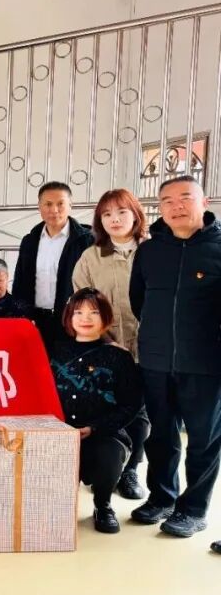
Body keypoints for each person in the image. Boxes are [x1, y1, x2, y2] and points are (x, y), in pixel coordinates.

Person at [129, 176, 221, 538]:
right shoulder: (150, 251)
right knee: (161, 437)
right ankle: (162, 498)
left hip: (206, 364)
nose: (176, 206)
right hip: (155, 360)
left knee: (202, 440)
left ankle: (193, 510)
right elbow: (139, 301)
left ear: (205, 202)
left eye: (185, 198)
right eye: (167, 200)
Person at [72, 188, 151, 501]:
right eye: (106, 214)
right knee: (111, 407)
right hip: (107, 347)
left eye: (121, 212)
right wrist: (107, 342)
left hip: (149, 346)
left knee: (141, 413)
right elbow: (82, 302)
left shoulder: (153, 250)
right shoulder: (91, 257)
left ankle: (131, 470)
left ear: (136, 214)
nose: (114, 219)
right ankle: (107, 470)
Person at [49, 289, 143, 534]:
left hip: (104, 433)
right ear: (69, 317)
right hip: (60, 432)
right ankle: (56, 505)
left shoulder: (118, 356)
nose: (85, 318)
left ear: (105, 317)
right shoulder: (54, 351)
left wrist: (94, 428)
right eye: (78, 312)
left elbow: (131, 404)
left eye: (94, 312)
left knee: (109, 455)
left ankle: (103, 505)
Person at [11, 181, 93, 345]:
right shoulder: (30, 241)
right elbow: (19, 283)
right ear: (39, 207)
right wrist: (22, 315)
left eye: (60, 204)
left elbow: (95, 284)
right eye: (48, 204)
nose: (54, 210)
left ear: (70, 206)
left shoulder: (86, 240)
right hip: (35, 320)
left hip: (72, 319)